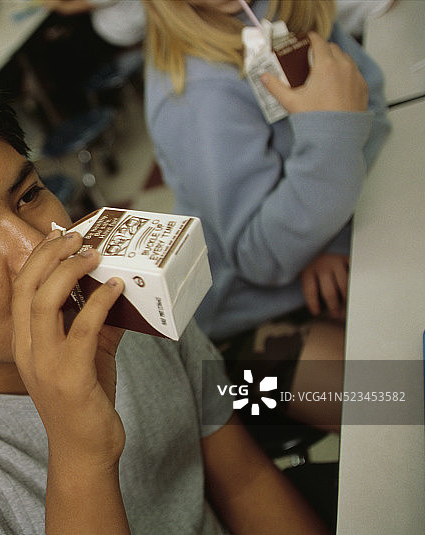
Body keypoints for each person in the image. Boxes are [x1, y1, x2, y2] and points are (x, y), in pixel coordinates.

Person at [0, 72, 329, 534]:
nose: (39, 247)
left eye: (30, 195)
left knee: (376, 389)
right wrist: (80, 453)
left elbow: (243, 477)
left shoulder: (122, 293)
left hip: (259, 376)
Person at [142, 0, 390, 432]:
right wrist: (330, 140)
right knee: (395, 405)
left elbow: (371, 114)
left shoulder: (288, 13)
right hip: (239, 324)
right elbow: (257, 256)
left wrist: (326, 234)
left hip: (314, 251)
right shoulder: (192, 96)